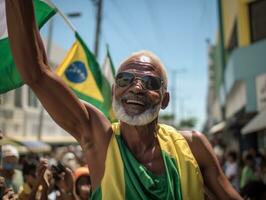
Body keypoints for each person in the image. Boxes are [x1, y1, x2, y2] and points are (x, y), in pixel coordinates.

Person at [6, 0, 243, 199]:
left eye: (150, 83)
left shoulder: (194, 147)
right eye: (125, 79)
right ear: (113, 92)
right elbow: (36, 73)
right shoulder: (100, 139)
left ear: (165, 99)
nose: (136, 87)